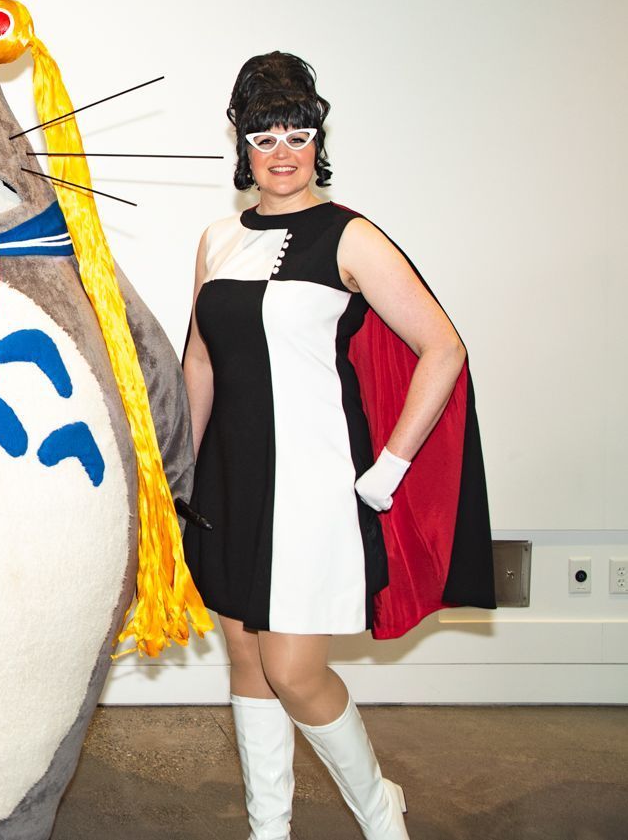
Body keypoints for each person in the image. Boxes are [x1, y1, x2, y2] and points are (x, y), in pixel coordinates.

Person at [181, 52, 485, 840]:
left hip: (312, 483)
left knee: (294, 669)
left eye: (297, 132)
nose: (281, 150)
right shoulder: (217, 238)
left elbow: (443, 348)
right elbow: (202, 360)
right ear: (242, 147)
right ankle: (268, 828)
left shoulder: (349, 235)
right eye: (263, 135)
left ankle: (381, 808)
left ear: (317, 140)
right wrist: (179, 470)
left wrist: (390, 466)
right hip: (229, 480)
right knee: (247, 661)